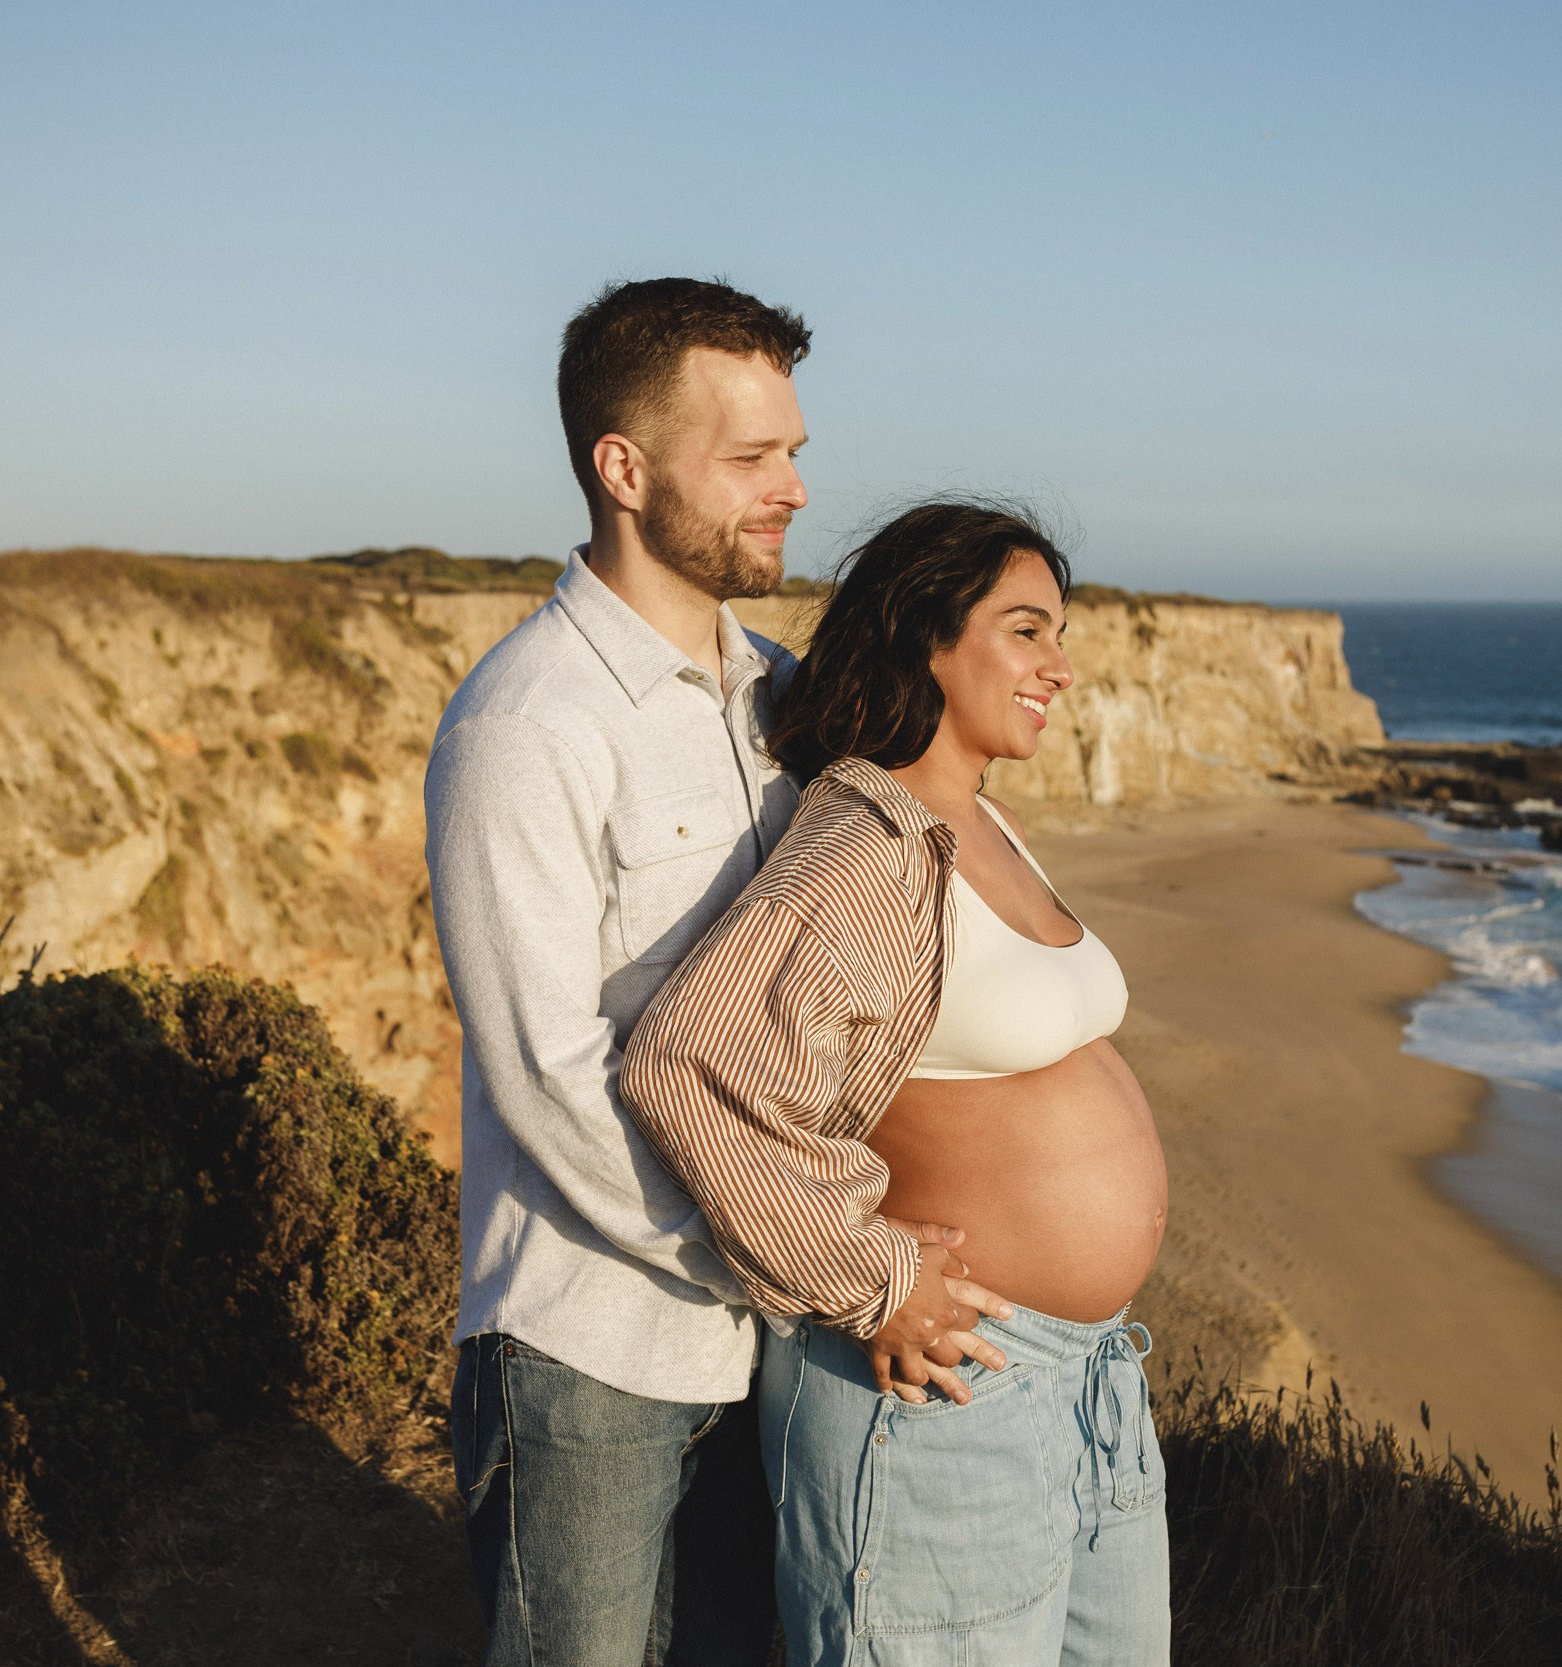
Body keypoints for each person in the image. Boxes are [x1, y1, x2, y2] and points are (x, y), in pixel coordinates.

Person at [623, 502, 1173, 1666]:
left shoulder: (984, 822)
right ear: (929, 635)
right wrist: (873, 1277)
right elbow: (689, 1063)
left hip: (1086, 1385)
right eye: (1024, 630)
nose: (1059, 666)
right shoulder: (867, 839)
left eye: (1059, 633)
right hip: (949, 1399)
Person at [423, 276, 822, 1666]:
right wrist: (771, 1243)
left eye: (794, 451)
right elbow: (549, 1070)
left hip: (765, 1343)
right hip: (588, 1348)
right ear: (625, 468)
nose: (792, 488)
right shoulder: (526, 722)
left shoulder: (780, 696)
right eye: (751, 457)